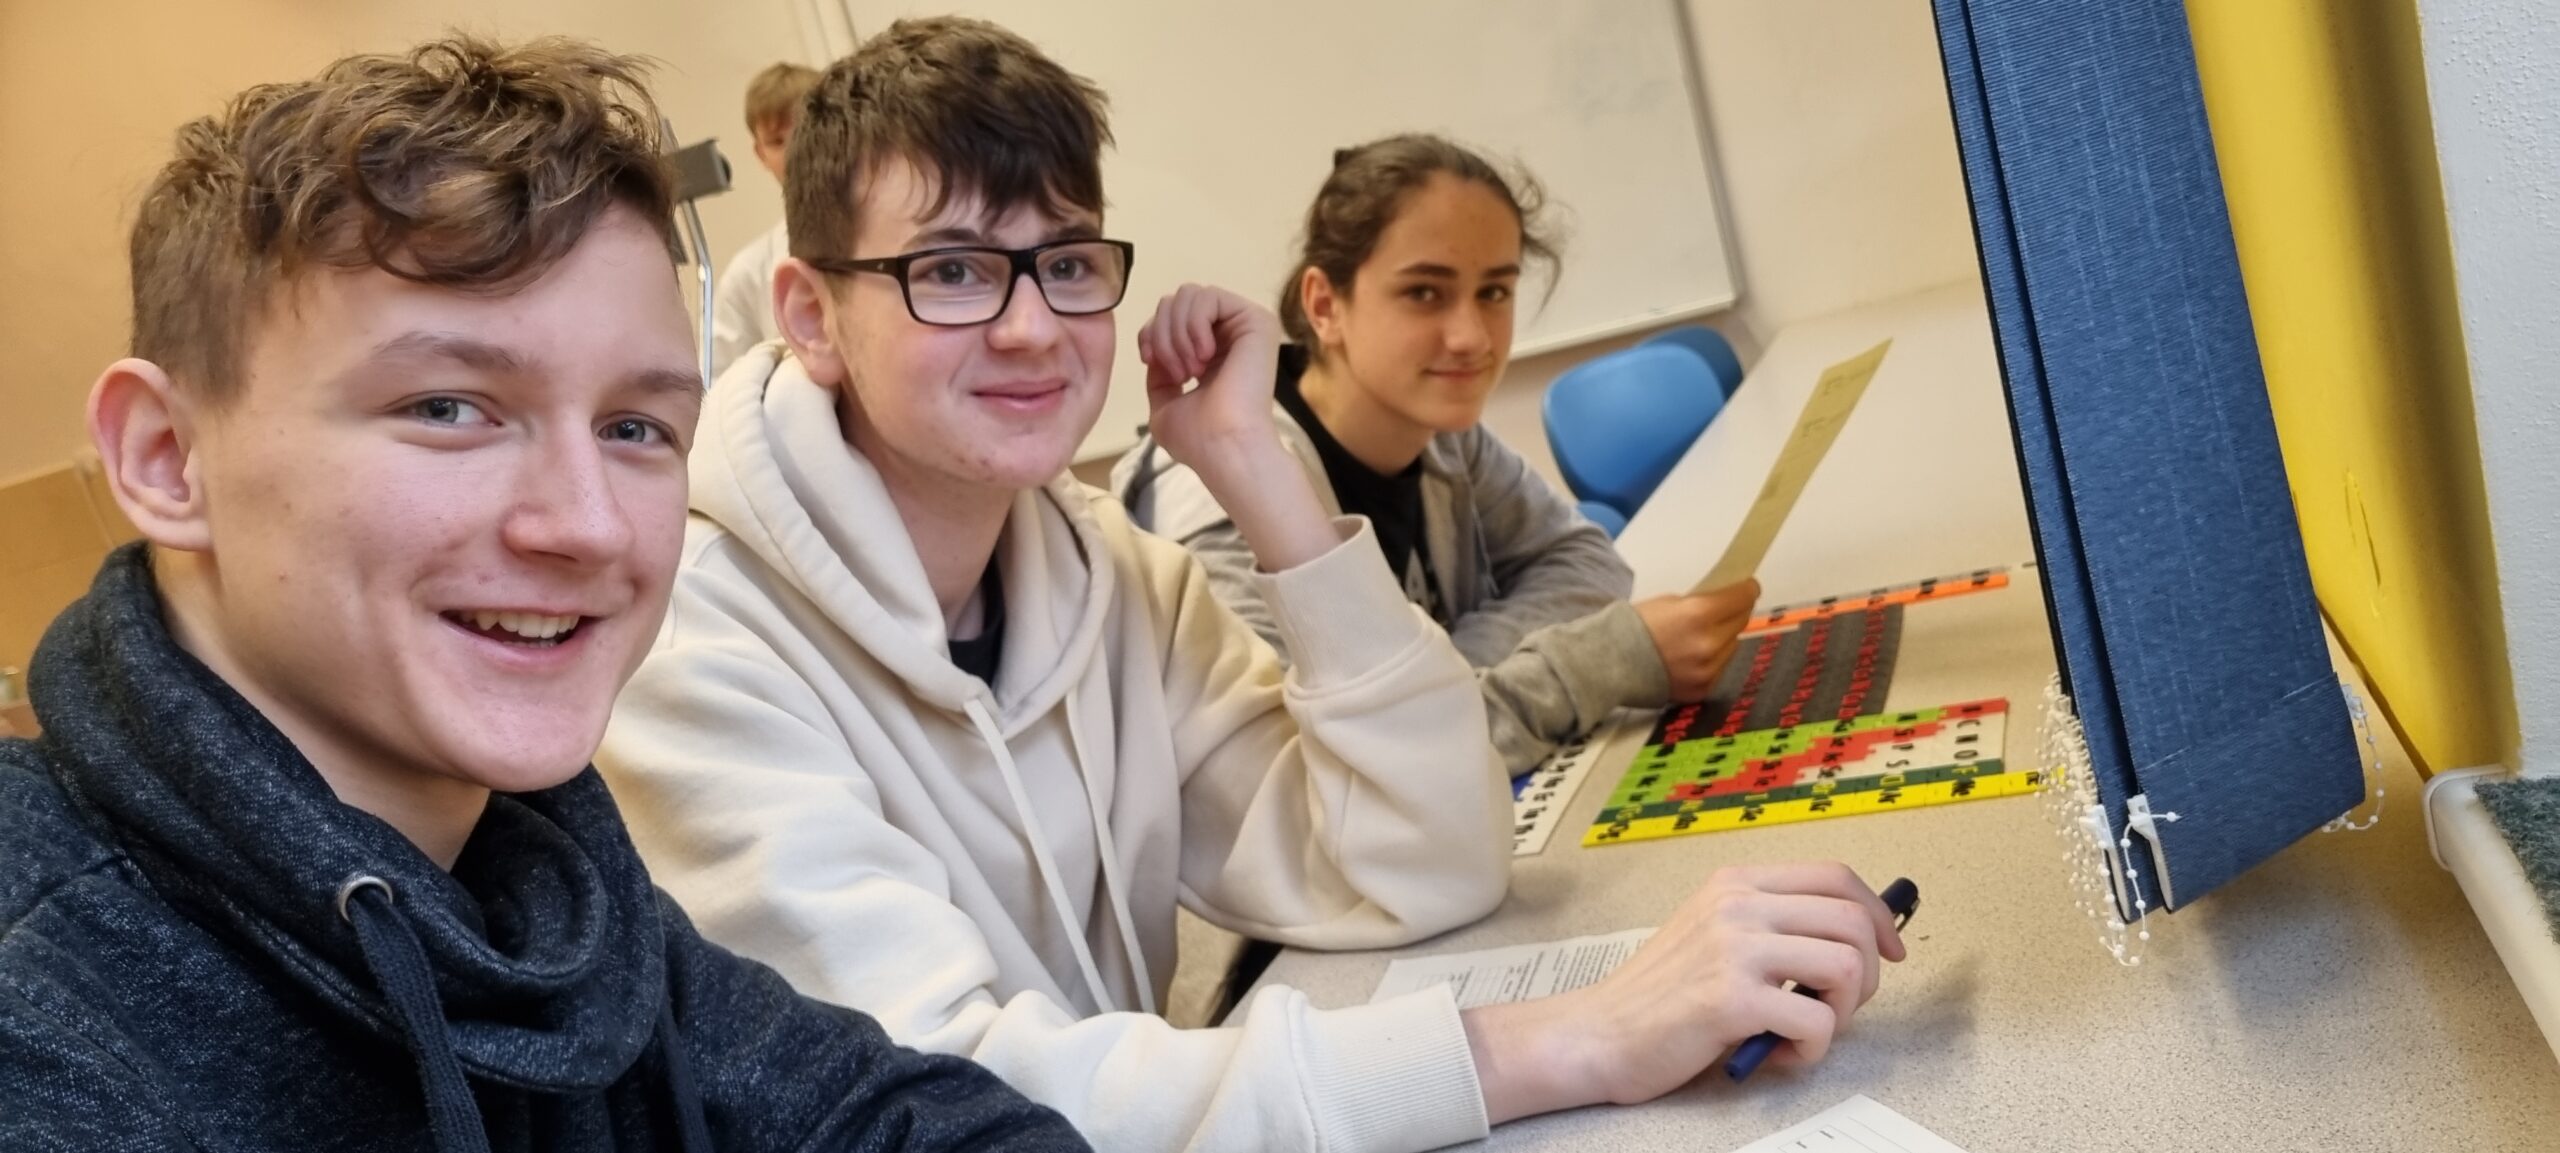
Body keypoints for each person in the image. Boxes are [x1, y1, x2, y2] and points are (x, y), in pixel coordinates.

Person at [600, 18, 1905, 1153]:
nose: (1032, 326)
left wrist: (1254, 467)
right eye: (950, 269)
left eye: (1067, 262)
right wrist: (1574, 1039)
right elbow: (946, 1104)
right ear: (810, 316)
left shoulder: (1107, 572)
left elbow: (1425, 867)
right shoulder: (687, 643)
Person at [0, 37, 1083, 1153]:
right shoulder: (45, 1018)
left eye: (634, 428)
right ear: (167, 458)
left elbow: (886, 1115)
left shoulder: (537, 874)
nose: (589, 524)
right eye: (447, 408)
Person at [1114, 134, 1763, 777]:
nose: (1471, 337)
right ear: (1324, 306)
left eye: (1495, 292)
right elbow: (1321, 778)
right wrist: (1594, 664)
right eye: (1424, 292)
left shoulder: (1439, 428)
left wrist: (1432, 683)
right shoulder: (1221, 488)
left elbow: (1585, 563)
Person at [711, 61, 820, 376]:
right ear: (760, 154)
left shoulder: (888, 234)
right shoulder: (747, 275)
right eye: (777, 142)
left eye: (805, 131)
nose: (795, 152)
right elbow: (721, 384)